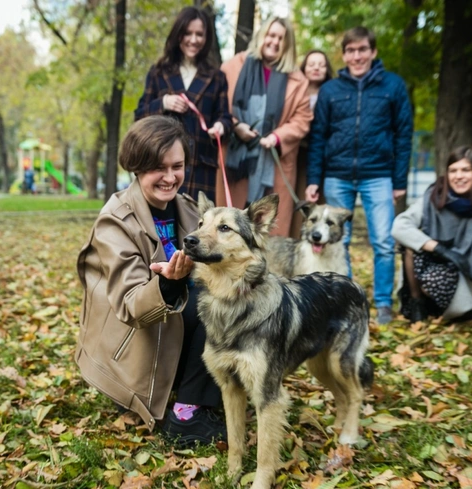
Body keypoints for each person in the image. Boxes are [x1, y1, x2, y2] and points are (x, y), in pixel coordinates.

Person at [75, 116, 224, 445]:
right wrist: (169, 284)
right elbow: (131, 307)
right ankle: (185, 415)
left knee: (228, 297)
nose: (170, 178)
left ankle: (201, 394)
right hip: (133, 348)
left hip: (170, 329)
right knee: (209, 304)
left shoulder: (185, 208)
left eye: (178, 166)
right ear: (138, 167)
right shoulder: (115, 221)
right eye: (159, 167)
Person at [305, 26, 413, 324]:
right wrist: (314, 178)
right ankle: (347, 301)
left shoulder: (393, 86)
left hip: (378, 175)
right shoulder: (331, 90)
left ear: (373, 52)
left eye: (362, 49)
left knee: (383, 242)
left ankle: (383, 304)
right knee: (340, 241)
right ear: (344, 54)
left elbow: (404, 135)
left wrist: (399, 181)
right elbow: (318, 137)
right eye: (351, 50)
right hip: (337, 174)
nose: (357, 56)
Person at [391, 147, 472, 323]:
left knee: (436, 282)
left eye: (466, 170)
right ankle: (418, 303)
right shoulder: (434, 195)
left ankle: (466, 306)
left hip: (467, 267)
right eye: (453, 170)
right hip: (436, 258)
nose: (458, 176)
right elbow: (400, 226)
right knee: (410, 244)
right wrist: (438, 248)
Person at [217, 16, 313, 237]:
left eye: (281, 38)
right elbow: (218, 106)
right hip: (236, 161)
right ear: (262, 36)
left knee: (270, 231)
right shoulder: (233, 66)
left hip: (275, 163)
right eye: (271, 35)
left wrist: (278, 137)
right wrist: (236, 126)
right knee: (229, 228)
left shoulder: (297, 79)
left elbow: (302, 119)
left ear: (287, 45)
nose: (275, 42)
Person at [135, 7, 232, 201]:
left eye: (199, 34)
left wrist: (221, 126)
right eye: (188, 33)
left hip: (201, 168)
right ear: (178, 34)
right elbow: (139, 117)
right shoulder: (158, 73)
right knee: (160, 225)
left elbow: (225, 117)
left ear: (206, 38)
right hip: (163, 166)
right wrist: (163, 102)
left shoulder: (217, 77)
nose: (194, 39)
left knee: (196, 226)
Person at [290, 49, 334, 237]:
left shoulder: (332, 93)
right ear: (304, 68)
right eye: (312, 64)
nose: (316, 68)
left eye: (321, 64)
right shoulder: (294, 92)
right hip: (296, 154)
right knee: (297, 199)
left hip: (321, 157)